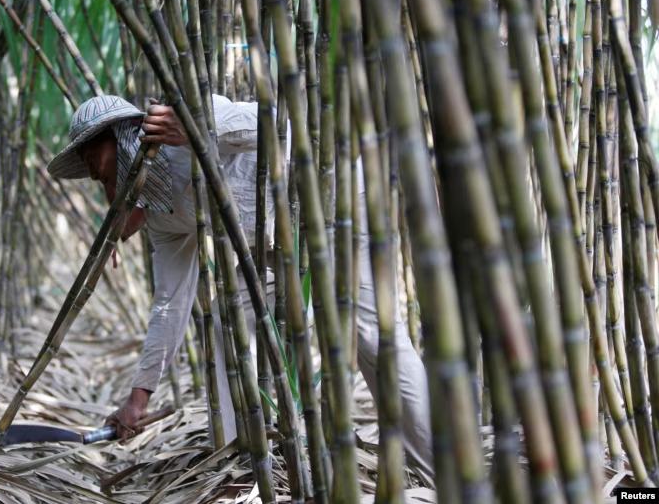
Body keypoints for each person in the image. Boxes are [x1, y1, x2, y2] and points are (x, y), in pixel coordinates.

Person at [47, 94, 434, 479]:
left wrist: (195, 127)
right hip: (278, 248)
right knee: (224, 324)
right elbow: (170, 304)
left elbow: (283, 125)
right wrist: (138, 398)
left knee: (371, 334)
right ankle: (240, 465)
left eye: (90, 158)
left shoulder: (190, 117)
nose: (93, 173)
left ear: (119, 138)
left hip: (330, 203)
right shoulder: (162, 217)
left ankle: (435, 466)